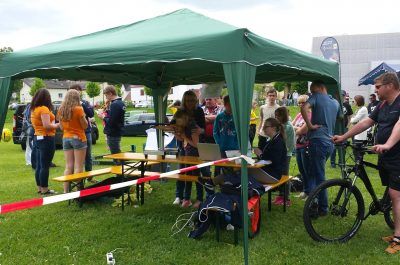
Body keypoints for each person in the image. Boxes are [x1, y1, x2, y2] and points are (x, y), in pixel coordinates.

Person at [332, 72, 400, 254]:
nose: (375, 90)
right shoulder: (383, 105)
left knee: (395, 195)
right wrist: (344, 136)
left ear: (390, 85)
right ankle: (394, 222)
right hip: (386, 156)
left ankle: (398, 236)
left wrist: (388, 144)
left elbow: (399, 126)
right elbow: (365, 123)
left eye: (378, 86)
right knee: (391, 194)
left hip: (397, 156)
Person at [300, 80, 340, 215]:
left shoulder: (317, 96)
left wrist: (310, 126)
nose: (312, 94)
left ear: (322, 88)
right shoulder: (335, 102)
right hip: (330, 142)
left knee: (318, 176)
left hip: (318, 141)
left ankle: (322, 208)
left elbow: (303, 107)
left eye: (314, 91)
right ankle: (314, 201)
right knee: (314, 173)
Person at [173, 90, 205, 208]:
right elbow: (173, 126)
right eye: (188, 101)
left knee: (197, 174)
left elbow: (202, 130)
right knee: (184, 173)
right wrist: (177, 133)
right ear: (184, 101)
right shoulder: (180, 111)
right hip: (184, 147)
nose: (190, 103)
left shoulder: (199, 112)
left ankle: (199, 198)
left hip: (195, 148)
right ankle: (182, 197)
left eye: (192, 100)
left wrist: (195, 133)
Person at [57, 89, 88, 193]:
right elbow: (84, 126)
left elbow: (61, 127)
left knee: (68, 166)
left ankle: (66, 190)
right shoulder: (79, 109)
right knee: (78, 166)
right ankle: (78, 190)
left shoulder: (61, 109)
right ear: (77, 98)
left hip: (66, 138)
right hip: (78, 137)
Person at [30, 89, 59, 195]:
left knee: (39, 165)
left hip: (37, 137)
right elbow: (47, 126)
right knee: (45, 165)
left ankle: (39, 188)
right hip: (47, 138)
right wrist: (57, 125)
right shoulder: (44, 109)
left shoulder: (34, 109)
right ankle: (45, 189)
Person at [69, 84, 95, 182]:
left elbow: (91, 114)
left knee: (88, 155)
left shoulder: (84, 102)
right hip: (74, 133)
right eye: (75, 90)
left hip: (86, 131)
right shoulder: (67, 104)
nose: (77, 92)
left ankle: (90, 177)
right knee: (74, 159)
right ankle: (75, 179)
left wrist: (82, 105)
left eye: (79, 90)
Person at [253, 118, 287, 185]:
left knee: (246, 174)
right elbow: (267, 156)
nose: (263, 129)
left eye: (266, 127)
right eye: (263, 127)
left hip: (274, 175)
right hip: (270, 172)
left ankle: (253, 193)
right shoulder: (272, 140)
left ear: (273, 128)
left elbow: (273, 161)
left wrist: (260, 154)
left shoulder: (278, 142)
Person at [274, 107, 295, 206]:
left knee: (285, 176)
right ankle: (281, 195)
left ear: (283, 116)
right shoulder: (281, 125)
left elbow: (289, 144)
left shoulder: (288, 126)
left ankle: (287, 198)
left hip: (286, 154)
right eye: (276, 116)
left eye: (278, 116)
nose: (276, 118)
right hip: (281, 154)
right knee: (280, 175)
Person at [292, 95, 311, 200]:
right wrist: (297, 128)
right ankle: (305, 190)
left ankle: (310, 193)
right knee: (302, 170)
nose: (301, 105)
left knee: (307, 170)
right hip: (298, 145)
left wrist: (297, 129)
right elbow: (291, 125)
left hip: (306, 145)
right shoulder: (300, 114)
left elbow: (302, 131)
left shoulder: (310, 115)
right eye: (299, 103)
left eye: (303, 103)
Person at [97, 85, 125, 154]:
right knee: (117, 153)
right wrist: (106, 112)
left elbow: (112, 121)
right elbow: (115, 117)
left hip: (113, 133)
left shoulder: (114, 104)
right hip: (117, 131)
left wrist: (102, 117)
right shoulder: (120, 103)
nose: (106, 98)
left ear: (110, 93)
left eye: (106, 95)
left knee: (116, 155)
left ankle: (121, 164)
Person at [330, 90, 353, 167]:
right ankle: (333, 162)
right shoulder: (333, 105)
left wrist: (348, 125)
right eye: (341, 95)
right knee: (333, 145)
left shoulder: (347, 105)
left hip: (344, 128)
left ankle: (341, 162)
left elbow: (350, 116)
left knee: (343, 145)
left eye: (343, 95)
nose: (342, 97)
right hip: (334, 128)